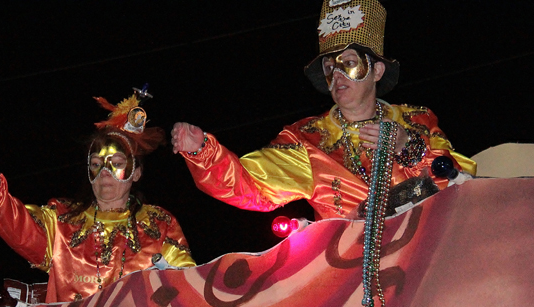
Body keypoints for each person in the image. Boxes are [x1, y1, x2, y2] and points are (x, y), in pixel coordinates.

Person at [171, 0, 477, 220]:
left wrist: (407, 147)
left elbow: (459, 178)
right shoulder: (307, 139)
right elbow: (250, 187)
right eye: (330, 67)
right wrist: (203, 152)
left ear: (378, 70)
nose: (338, 75)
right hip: (349, 273)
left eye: (349, 63)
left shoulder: (417, 120)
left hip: (429, 255)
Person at [0, 89, 195, 303]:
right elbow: (21, 229)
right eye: (97, 164)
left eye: (116, 163)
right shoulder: (62, 221)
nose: (105, 172)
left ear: (136, 172)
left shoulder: (159, 223)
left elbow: (189, 284)